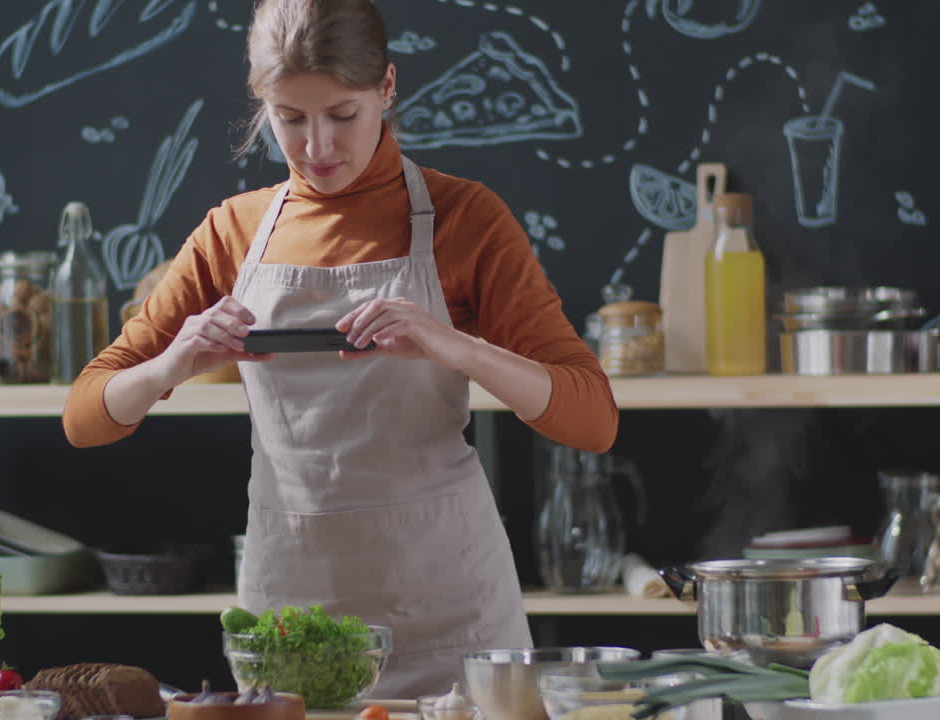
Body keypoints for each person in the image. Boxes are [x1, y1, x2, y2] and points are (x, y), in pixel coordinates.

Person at [62, 0, 618, 698]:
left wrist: (457, 348)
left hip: (450, 619)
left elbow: (593, 420)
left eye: (342, 115)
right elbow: (85, 415)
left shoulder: (466, 219)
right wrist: (173, 364)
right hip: (290, 621)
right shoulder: (230, 232)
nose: (317, 147)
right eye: (290, 119)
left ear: (386, 88)